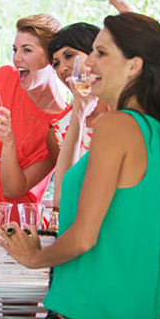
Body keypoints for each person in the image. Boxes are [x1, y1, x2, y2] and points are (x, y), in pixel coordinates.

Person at [0, 12, 160, 319]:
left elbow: (83, 238)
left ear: (134, 65)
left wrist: (33, 257)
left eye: (101, 54)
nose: (87, 65)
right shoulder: (155, 130)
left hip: (87, 310)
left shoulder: (117, 126)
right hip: (132, 311)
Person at [0, 14, 68, 223]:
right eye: (15, 49)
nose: (16, 58)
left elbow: (14, 189)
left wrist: (8, 142)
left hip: (15, 227)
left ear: (51, 58)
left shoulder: (60, 124)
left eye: (27, 50)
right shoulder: (4, 77)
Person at [48, 23, 111, 211]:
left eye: (69, 56)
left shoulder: (129, 112)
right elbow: (62, 200)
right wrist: (79, 112)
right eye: (56, 64)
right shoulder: (58, 132)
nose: (62, 69)